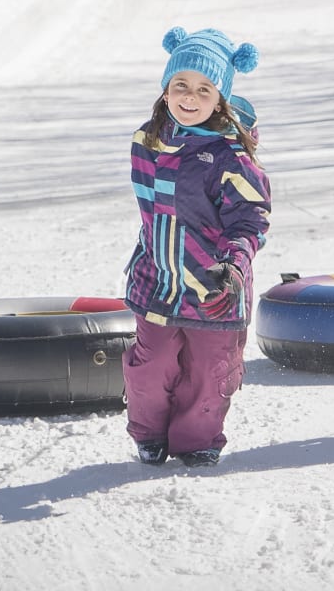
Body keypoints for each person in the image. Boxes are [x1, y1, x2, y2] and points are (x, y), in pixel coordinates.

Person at [122, 26, 271, 466]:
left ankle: (197, 442)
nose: (190, 96)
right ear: (166, 89)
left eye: (204, 89)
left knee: (209, 372)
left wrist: (235, 264)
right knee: (151, 365)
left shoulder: (231, 157)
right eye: (181, 85)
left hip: (214, 285)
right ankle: (148, 434)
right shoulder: (145, 141)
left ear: (220, 97)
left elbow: (250, 219)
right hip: (157, 280)